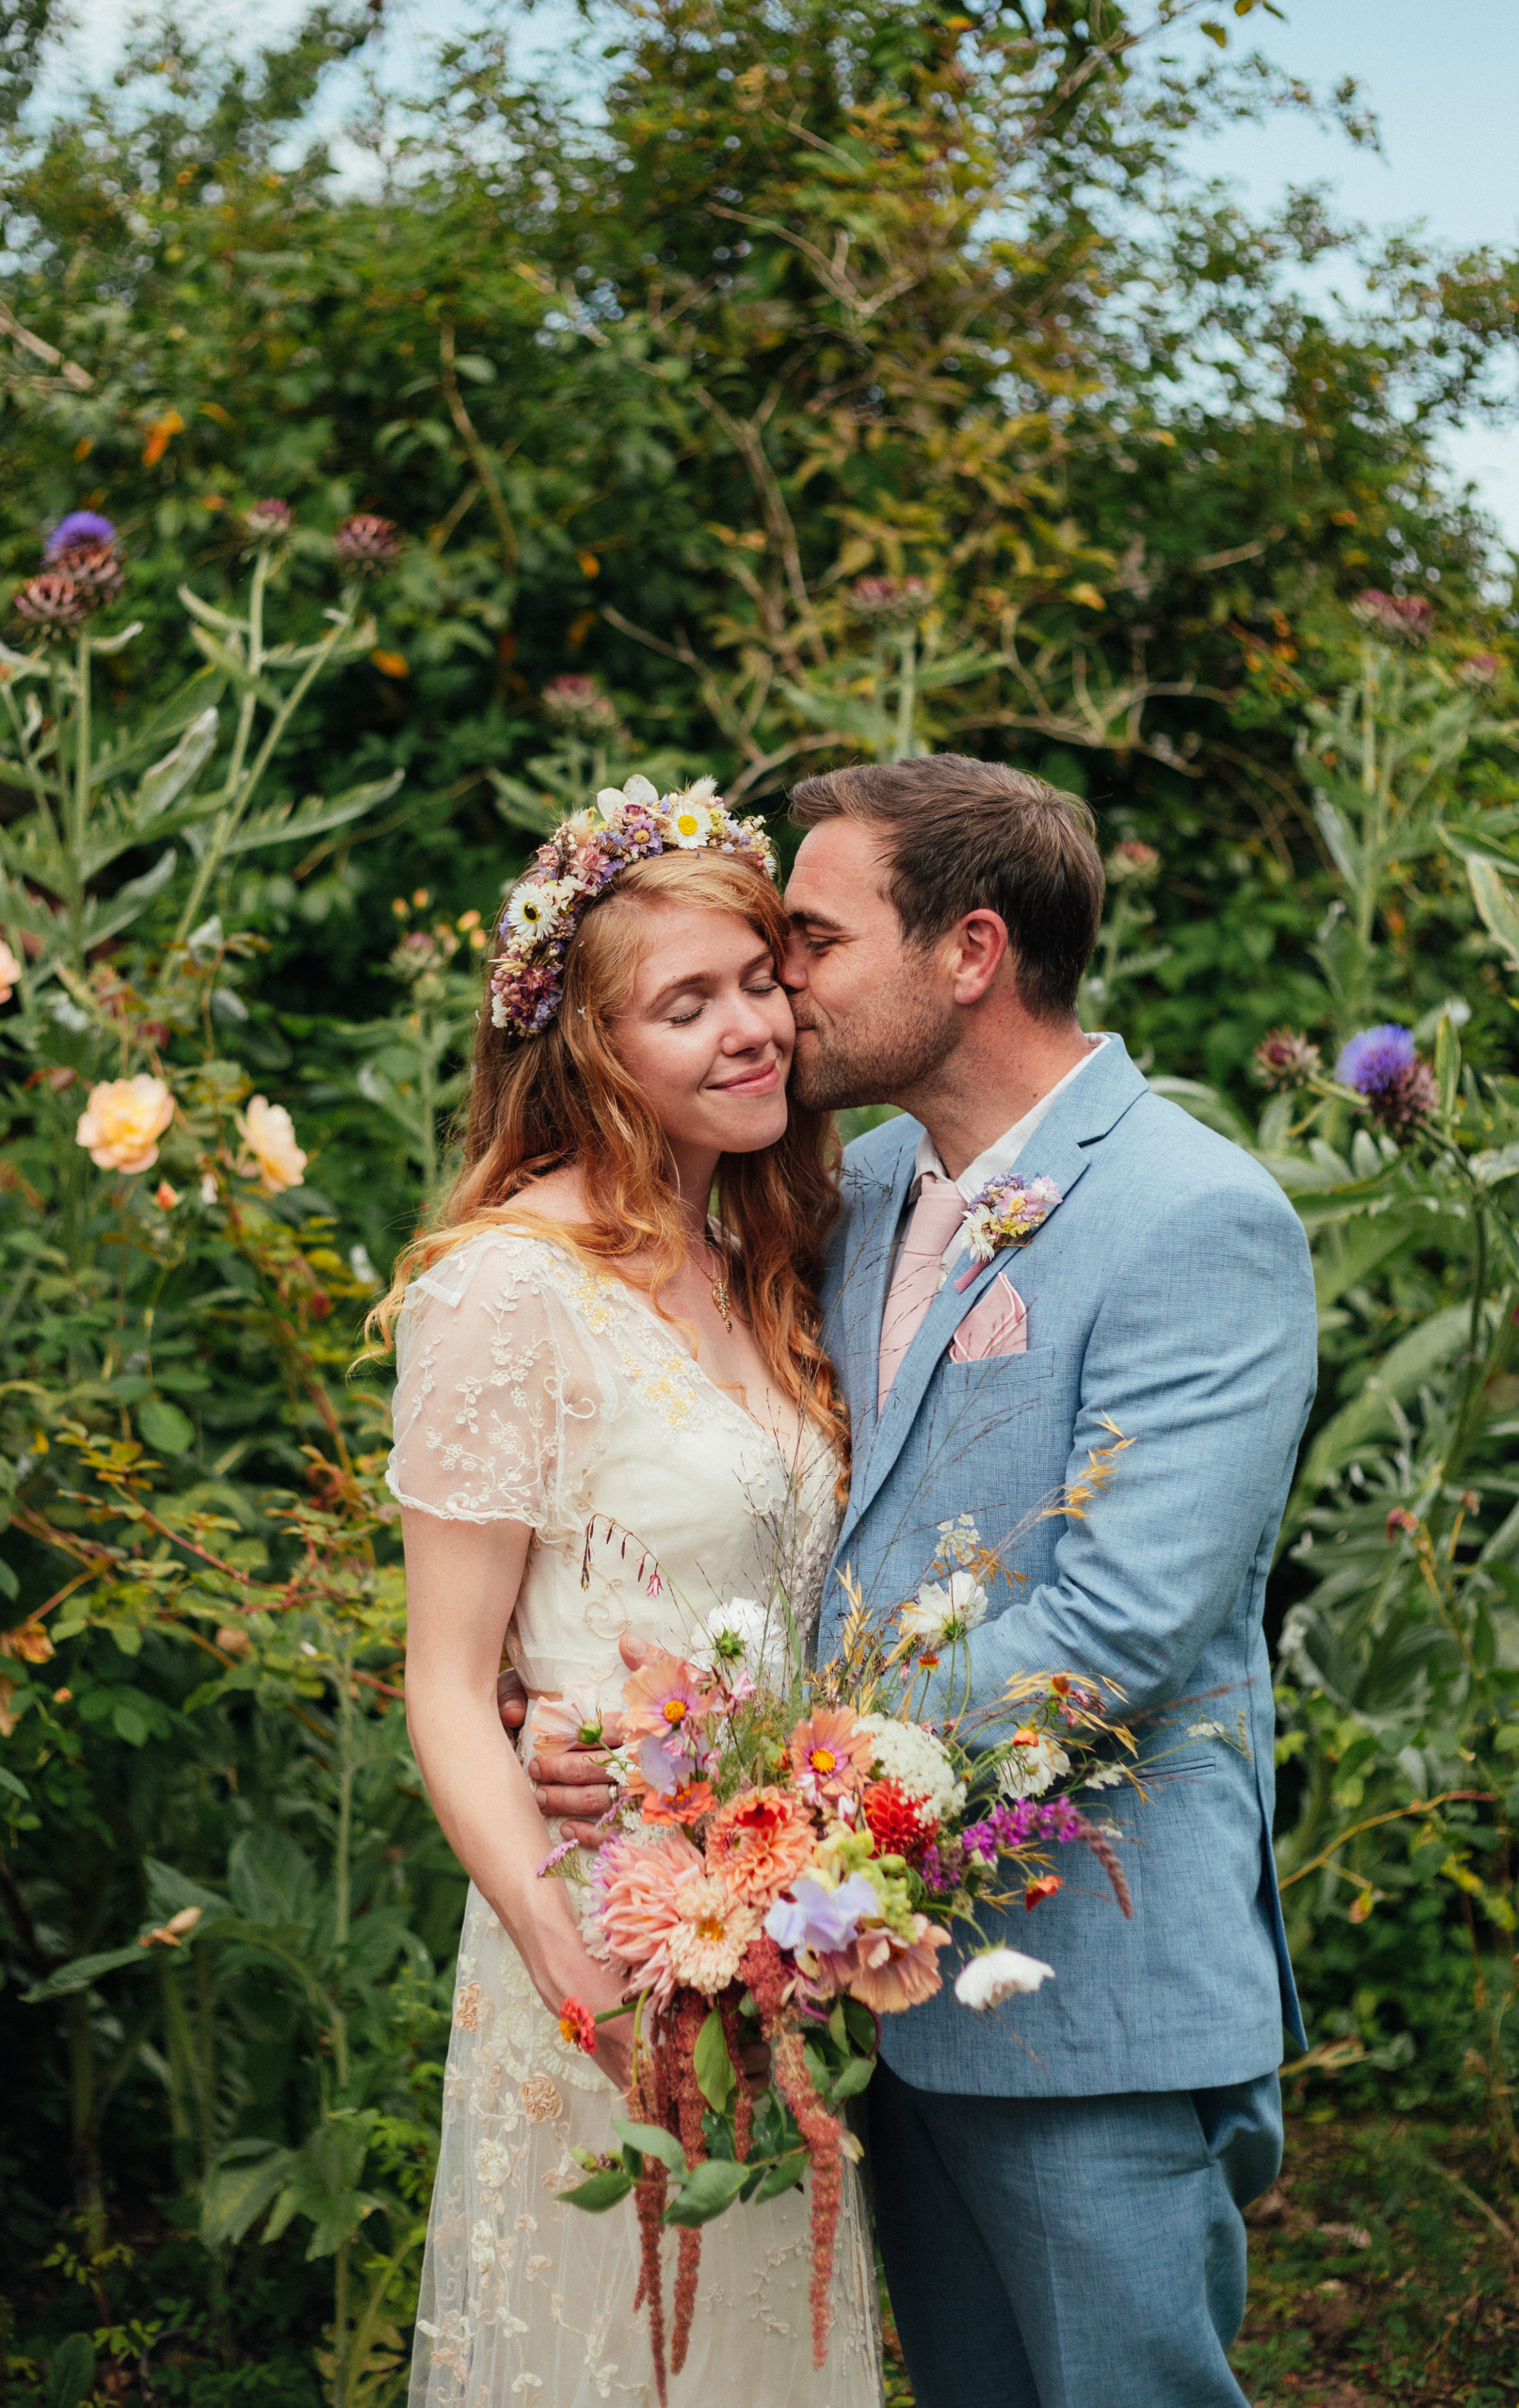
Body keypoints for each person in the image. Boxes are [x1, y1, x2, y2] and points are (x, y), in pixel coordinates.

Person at [535, 753, 1318, 2408]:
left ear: (968, 953)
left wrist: (761, 1782)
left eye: (809, 942)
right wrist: (622, 1736)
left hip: (1090, 1998)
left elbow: (1119, 1629)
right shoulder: (862, 1187)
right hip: (884, 1984)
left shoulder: (1198, 1215)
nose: (779, 984)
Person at [381, 781, 881, 2408]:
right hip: (597, 1933)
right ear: (590, 1047)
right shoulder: (506, 1288)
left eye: (757, 980)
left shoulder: (766, 1257)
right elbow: (451, 1685)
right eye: (688, 1004)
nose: (753, 1031)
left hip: (784, 1927)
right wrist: (556, 1940)